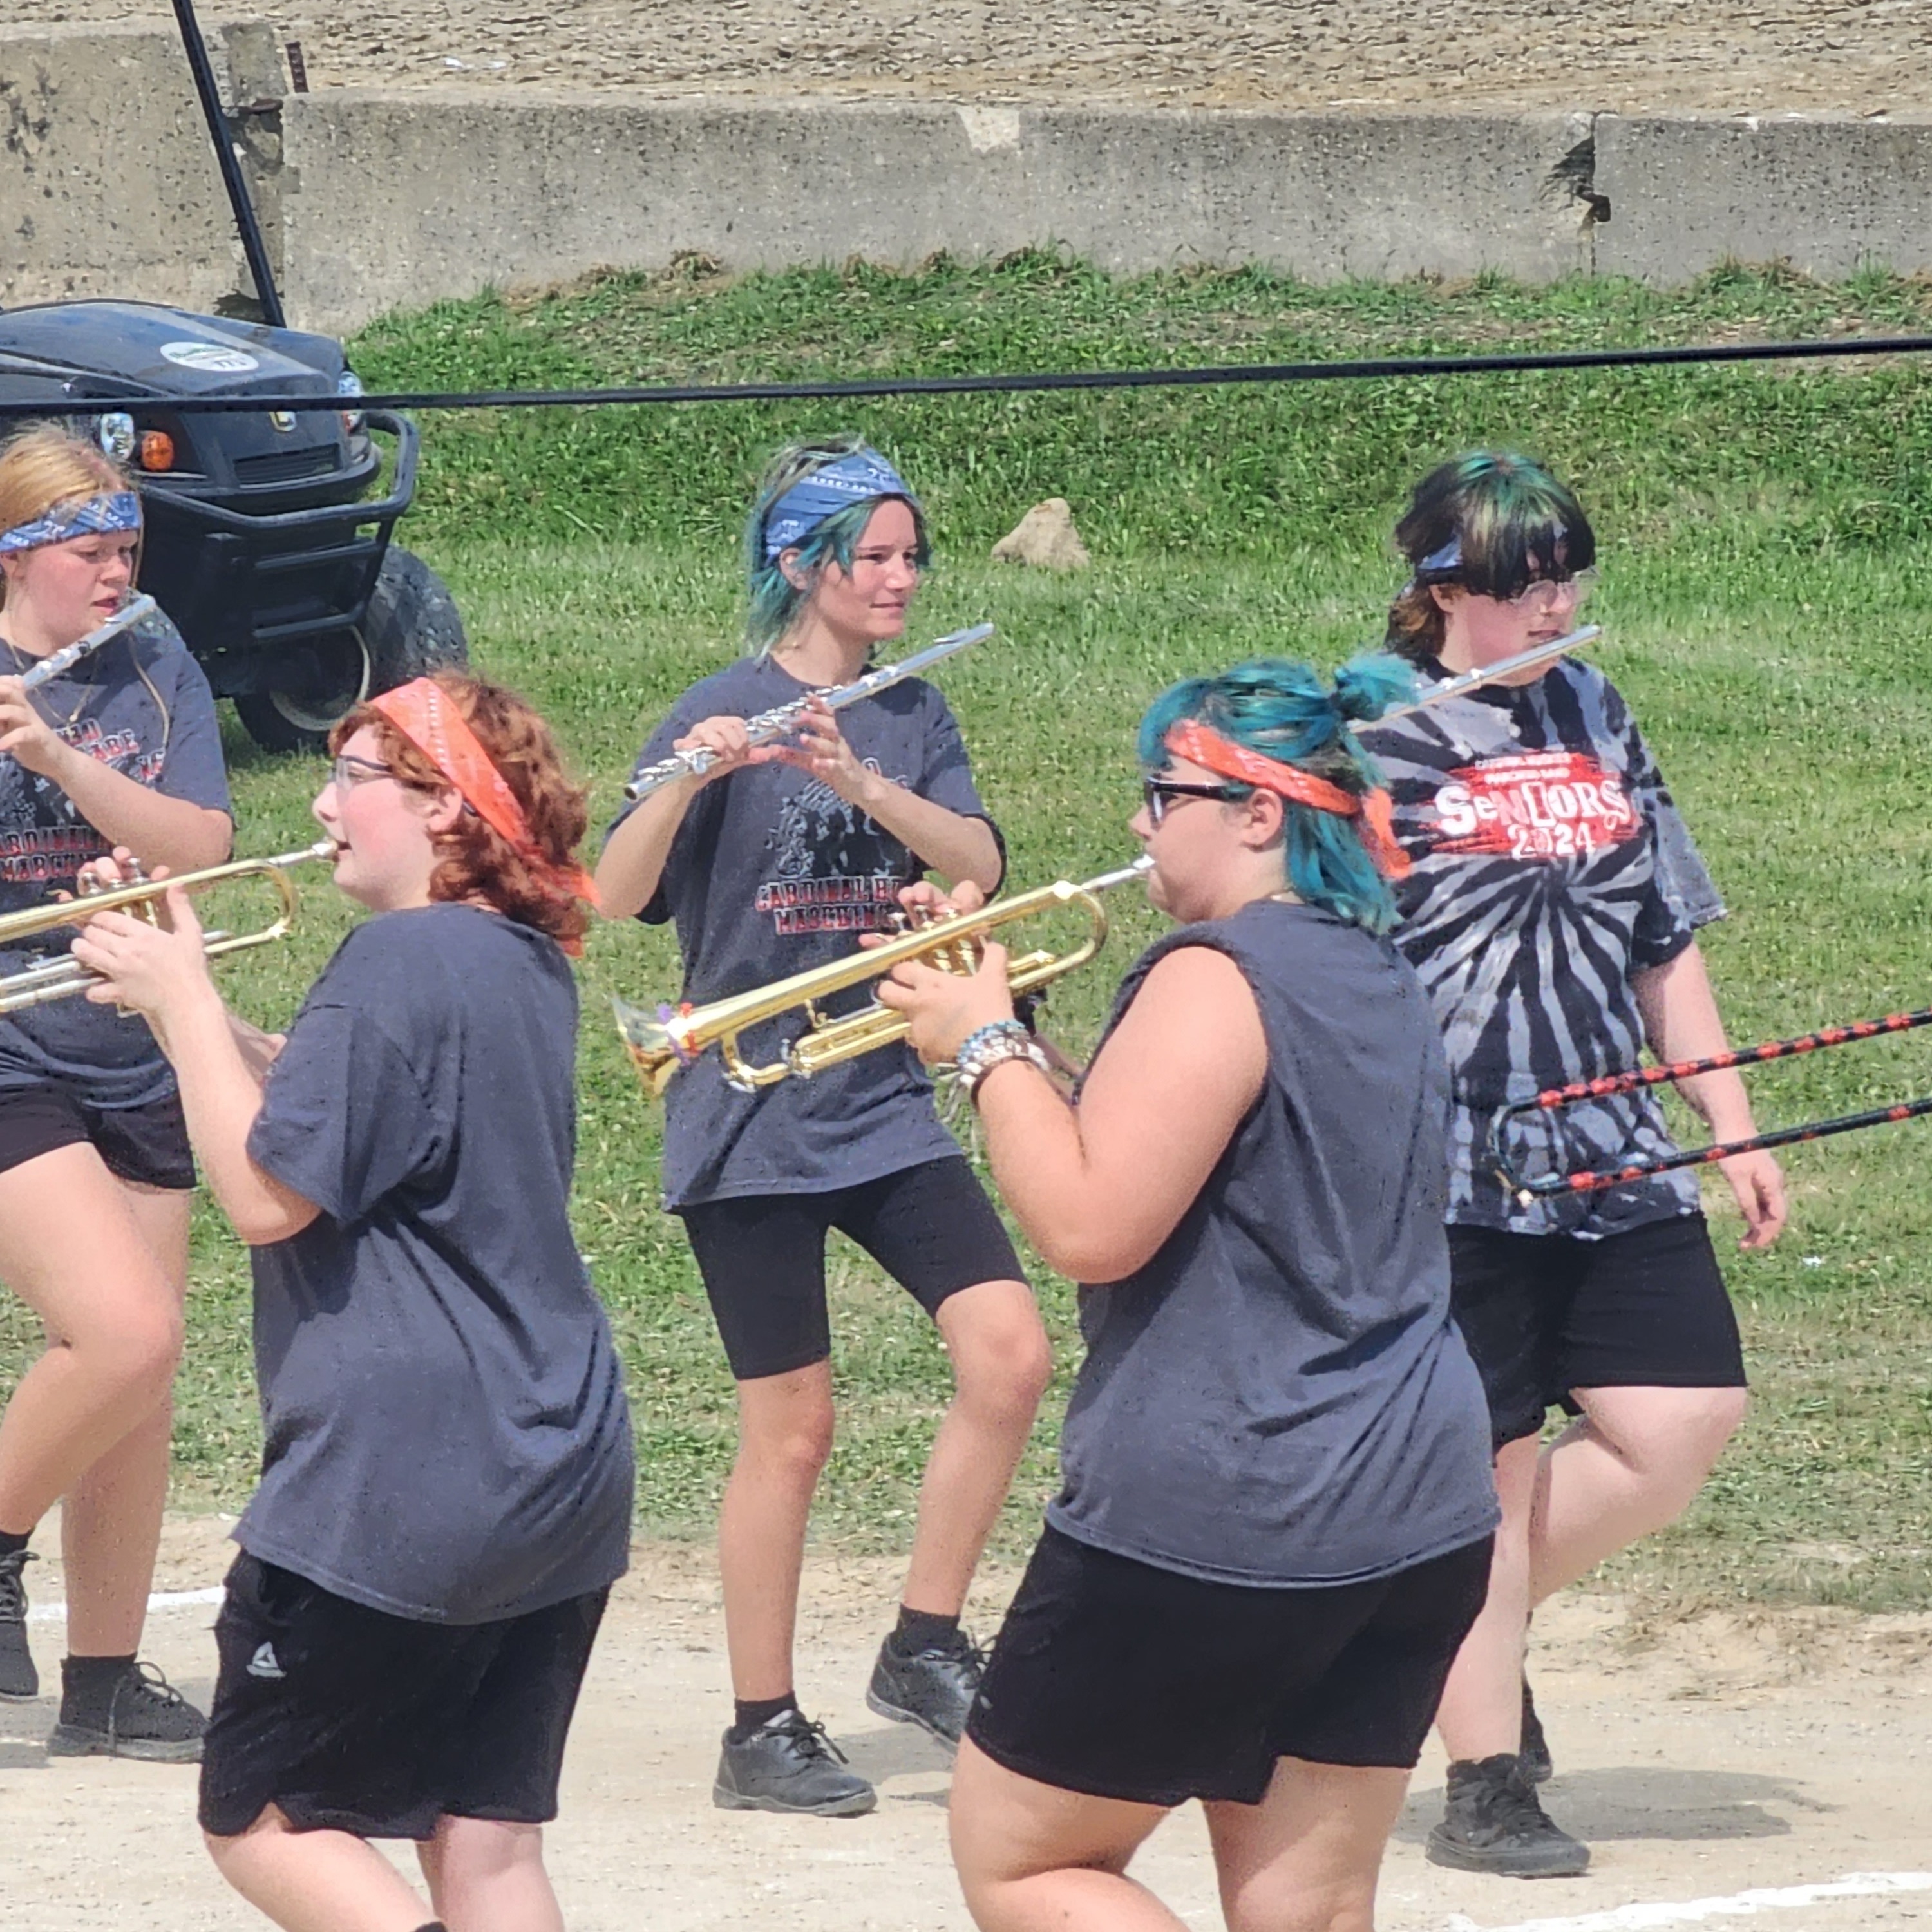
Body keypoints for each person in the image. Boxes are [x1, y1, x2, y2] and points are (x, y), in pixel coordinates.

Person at [878, 656, 1500, 1932]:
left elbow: (1090, 1227)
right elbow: (1177, 1153)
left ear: (1258, 815)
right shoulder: (1375, 970)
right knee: (1310, 1911)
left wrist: (983, 1045)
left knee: (1026, 1860)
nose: (1137, 823)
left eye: (1163, 794)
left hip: (1229, 1501)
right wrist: (1015, 1028)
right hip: (1411, 1508)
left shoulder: (1213, 973)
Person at [70, 672, 634, 1932]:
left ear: (445, 809)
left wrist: (176, 1007)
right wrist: (192, 1006)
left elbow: (270, 1196)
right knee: (483, 1845)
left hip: (403, 1483)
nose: (321, 804)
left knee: (264, 1819)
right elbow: (344, 1097)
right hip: (560, 1462)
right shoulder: (517, 958)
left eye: (354, 779)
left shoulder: (394, 958)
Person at [596, 437, 1051, 1818]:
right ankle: (760, 1724)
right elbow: (613, 897)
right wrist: (690, 773)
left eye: (914, 557)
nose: (903, 579)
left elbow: (978, 864)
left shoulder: (908, 714)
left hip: (881, 1099)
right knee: (791, 1427)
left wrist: (860, 781)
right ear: (805, 568)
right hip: (745, 1109)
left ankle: (921, 1642)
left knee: (1012, 1352)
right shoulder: (719, 705)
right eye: (878, 557)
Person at [1357, 451, 1788, 1879]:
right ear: (1438, 595)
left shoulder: (1596, 710)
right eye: (1523, 581)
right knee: (1485, 1475)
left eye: (1565, 575)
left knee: (1685, 1418)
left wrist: (1726, 1123)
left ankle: (1444, 1629)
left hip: (1609, 1146)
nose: (1557, 602)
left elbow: (1664, 937)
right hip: (1450, 1167)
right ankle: (1486, 1780)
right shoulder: (1371, 731)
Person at [0, 424, 232, 1759]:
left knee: (142, 1383)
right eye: (92, 551)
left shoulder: (150, 657)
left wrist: (68, 770)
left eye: (128, 548)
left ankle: (101, 1681)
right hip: (11, 1042)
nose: (118, 572)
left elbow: (199, 840)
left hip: (129, 1030)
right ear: (18, 555)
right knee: (124, 1330)